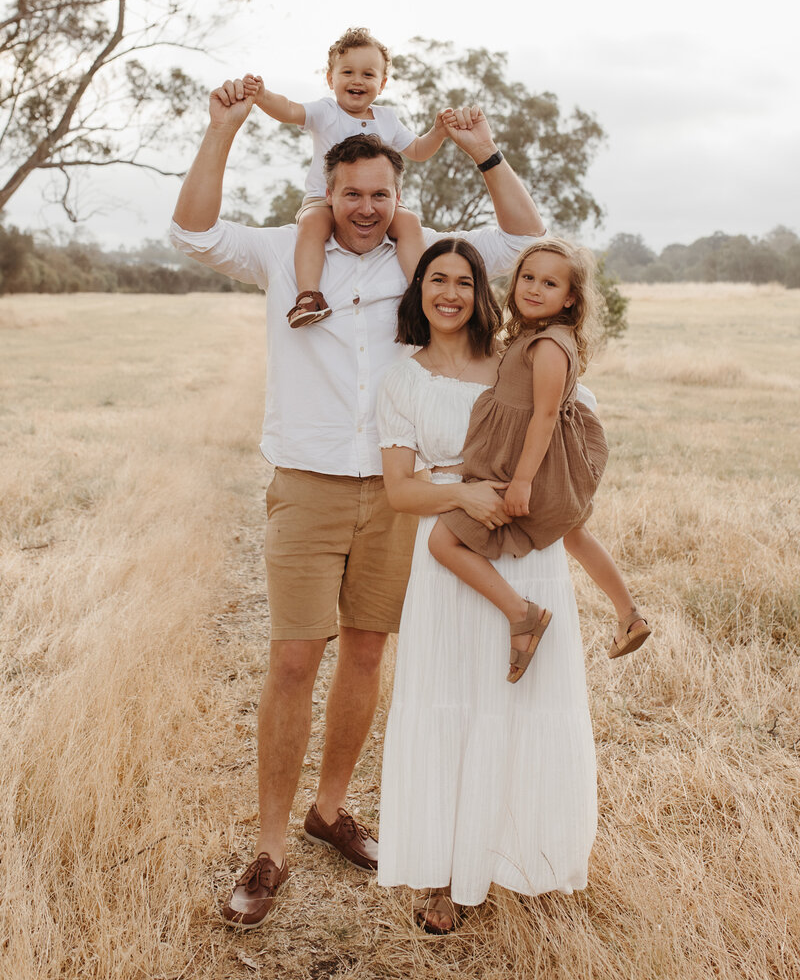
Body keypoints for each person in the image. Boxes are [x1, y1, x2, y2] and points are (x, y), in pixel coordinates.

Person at [170, 85, 546, 930]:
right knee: (295, 662)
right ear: (326, 195)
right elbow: (192, 232)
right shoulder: (282, 254)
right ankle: (268, 851)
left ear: (397, 196)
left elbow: (525, 238)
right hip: (305, 485)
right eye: (352, 194)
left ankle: (330, 810)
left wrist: (484, 148)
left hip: (398, 493)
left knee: (368, 655)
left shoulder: (428, 262)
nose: (367, 208)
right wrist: (220, 132)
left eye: (382, 194)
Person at [377, 238, 597, 934]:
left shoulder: (515, 359)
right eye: (436, 280)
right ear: (419, 294)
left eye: (464, 281)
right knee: (451, 708)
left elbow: (565, 425)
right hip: (452, 551)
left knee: (519, 710)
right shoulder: (401, 379)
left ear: (481, 294)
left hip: (522, 545)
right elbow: (397, 493)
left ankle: (516, 857)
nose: (450, 293)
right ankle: (445, 879)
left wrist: (537, 491)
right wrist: (463, 498)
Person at [429, 238, 650, 682]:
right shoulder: (534, 335)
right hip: (534, 459)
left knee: (442, 542)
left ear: (570, 297)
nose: (533, 288)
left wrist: (522, 481)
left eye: (549, 283)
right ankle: (629, 614)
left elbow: (546, 414)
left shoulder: (549, 344)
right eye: (527, 277)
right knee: (575, 533)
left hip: (529, 464)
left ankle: (522, 614)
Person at [242, 26, 448, 327]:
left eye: (368, 74)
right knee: (312, 224)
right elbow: (289, 110)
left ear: (383, 83)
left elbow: (417, 149)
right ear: (331, 79)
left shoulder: (387, 118)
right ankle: (308, 297)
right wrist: (262, 96)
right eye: (347, 72)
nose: (357, 80)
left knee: (409, 222)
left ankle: (419, 294)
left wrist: (438, 131)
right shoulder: (326, 111)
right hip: (322, 199)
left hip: (374, 202)